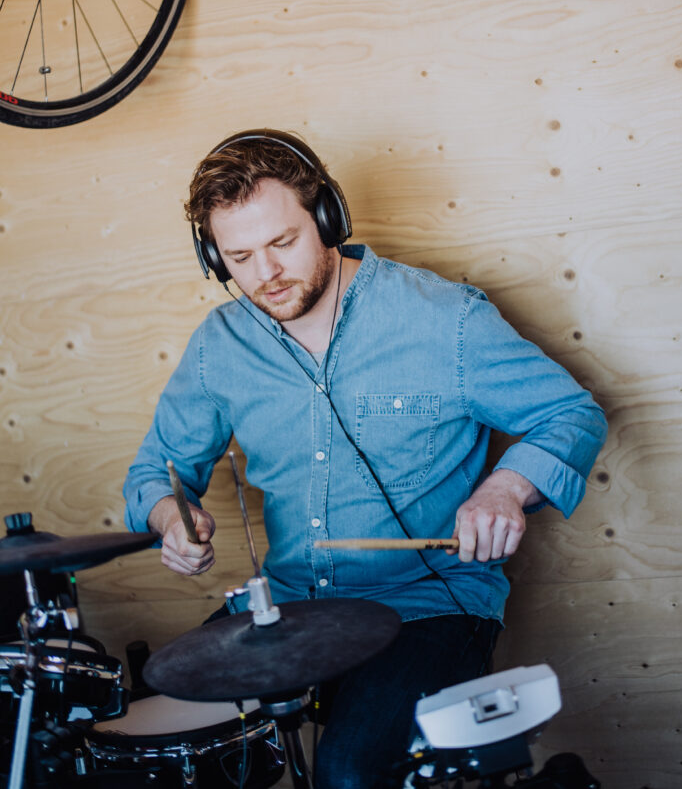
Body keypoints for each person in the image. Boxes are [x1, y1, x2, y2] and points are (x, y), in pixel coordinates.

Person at [124, 129, 607, 789]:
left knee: (350, 772)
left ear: (327, 217)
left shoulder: (444, 318)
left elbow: (569, 412)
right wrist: (169, 518)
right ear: (214, 256)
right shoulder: (221, 346)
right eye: (239, 256)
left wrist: (505, 488)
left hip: (426, 605)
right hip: (287, 608)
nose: (265, 274)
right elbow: (158, 470)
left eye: (283, 242)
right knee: (158, 750)